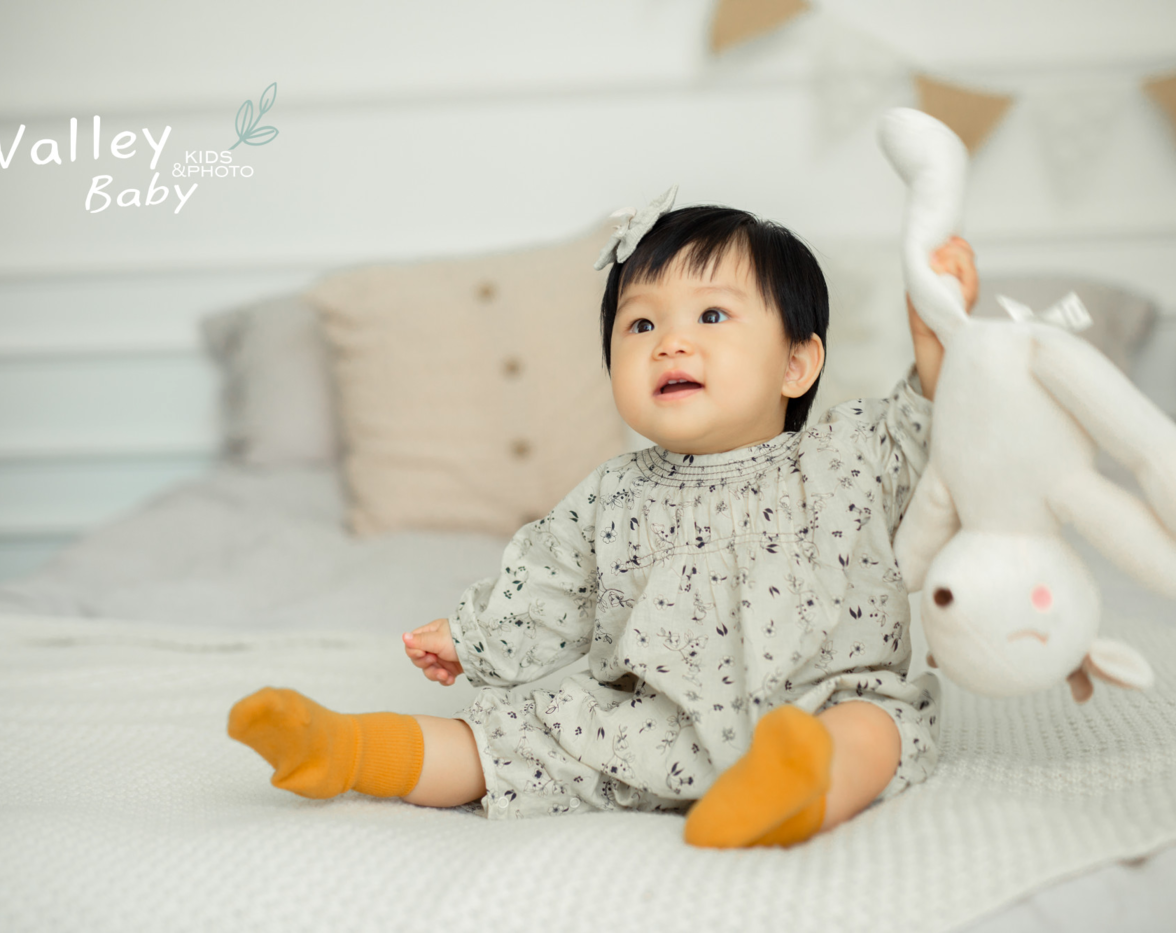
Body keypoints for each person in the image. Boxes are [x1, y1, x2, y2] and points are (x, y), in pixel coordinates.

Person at [228, 188, 978, 848]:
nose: (670, 341)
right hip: (659, 725)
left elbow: (934, 423)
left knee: (874, 727)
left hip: (821, 704)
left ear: (796, 364)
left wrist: (936, 333)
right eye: (639, 325)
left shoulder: (847, 455)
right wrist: (472, 637)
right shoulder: (613, 494)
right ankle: (352, 748)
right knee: (518, 738)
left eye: (712, 314)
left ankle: (794, 790)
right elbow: (548, 585)